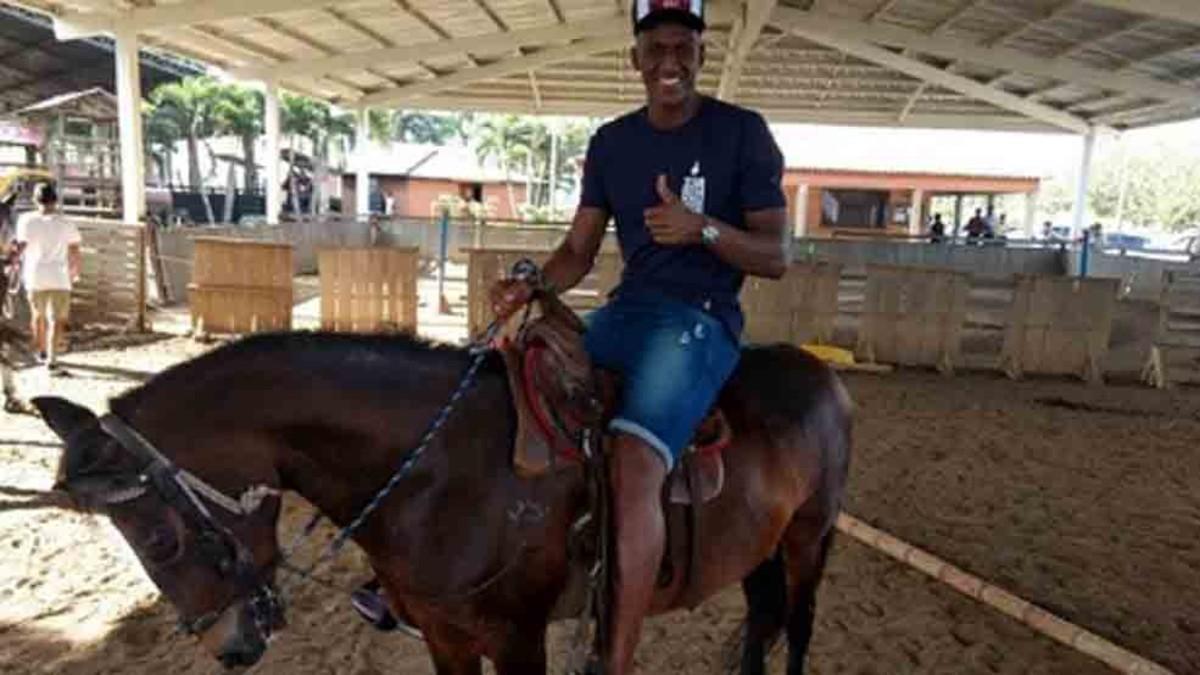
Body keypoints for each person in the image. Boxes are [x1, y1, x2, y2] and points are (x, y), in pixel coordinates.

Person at [489, 1, 788, 671]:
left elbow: (775, 254)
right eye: (655, 49)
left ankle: (615, 658)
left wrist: (701, 227)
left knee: (634, 461)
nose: (669, 62)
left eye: (683, 47)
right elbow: (578, 250)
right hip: (623, 313)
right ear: (635, 60)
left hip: (699, 320)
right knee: (505, 385)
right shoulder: (612, 142)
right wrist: (532, 282)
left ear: (702, 55)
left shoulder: (743, 134)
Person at [13, 183, 80, 376]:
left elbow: (21, 247)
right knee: (57, 319)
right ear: (56, 200)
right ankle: (52, 358)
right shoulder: (66, 223)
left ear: (35, 200)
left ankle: (40, 352)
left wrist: (12, 263)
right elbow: (74, 249)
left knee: (38, 316)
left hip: (35, 276)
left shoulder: (26, 221)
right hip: (60, 277)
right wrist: (75, 270)